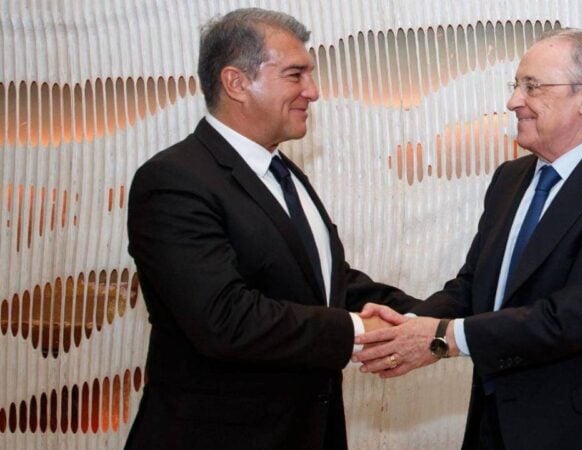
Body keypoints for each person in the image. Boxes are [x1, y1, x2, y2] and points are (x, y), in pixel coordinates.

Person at [354, 28, 582, 449]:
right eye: (516, 85)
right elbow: (472, 287)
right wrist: (408, 326)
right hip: (493, 420)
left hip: (579, 432)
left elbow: (571, 318)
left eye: (532, 86)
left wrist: (441, 337)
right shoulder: (509, 178)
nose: (513, 101)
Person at [125, 8, 418, 450]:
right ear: (236, 82)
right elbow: (224, 318)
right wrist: (358, 329)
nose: (313, 91)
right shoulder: (174, 180)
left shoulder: (285, 174)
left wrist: (428, 320)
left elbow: (326, 286)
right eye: (295, 74)